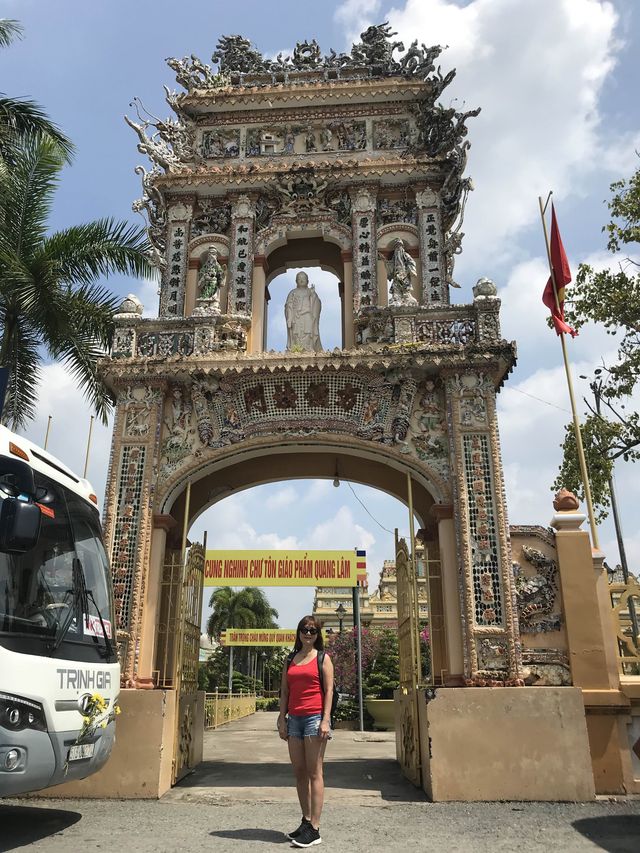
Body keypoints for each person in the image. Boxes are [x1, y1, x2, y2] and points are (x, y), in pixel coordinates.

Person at [278, 615, 334, 848]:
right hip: (294, 720)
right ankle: (306, 820)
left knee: (314, 772)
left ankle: (316, 828)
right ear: (298, 632)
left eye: (312, 630)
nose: (308, 634)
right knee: (299, 772)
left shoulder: (323, 658)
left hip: (313, 719)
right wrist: (282, 718)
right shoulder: (291, 658)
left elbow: (329, 691)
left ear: (317, 635)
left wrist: (325, 720)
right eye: (304, 629)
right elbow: (284, 691)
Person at [284, 271, 322, 352]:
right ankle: (296, 349)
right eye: (299, 279)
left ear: (307, 281)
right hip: (296, 317)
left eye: (303, 278)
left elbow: (316, 304)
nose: (301, 280)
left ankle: (308, 348)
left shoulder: (310, 292)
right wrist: (289, 318)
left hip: (307, 316)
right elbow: (288, 306)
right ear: (296, 281)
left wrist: (313, 295)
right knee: (296, 333)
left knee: (308, 332)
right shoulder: (292, 292)